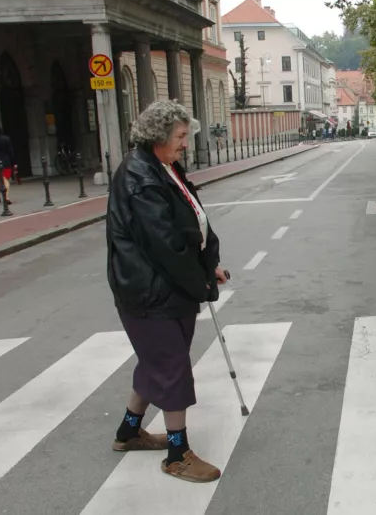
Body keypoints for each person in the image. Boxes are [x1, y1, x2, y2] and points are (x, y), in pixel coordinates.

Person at [105, 99, 227, 483]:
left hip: (162, 287)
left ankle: (128, 432)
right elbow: (166, 247)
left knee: (154, 361)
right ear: (158, 137)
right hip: (151, 291)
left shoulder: (163, 167)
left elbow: (190, 224)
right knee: (171, 366)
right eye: (179, 136)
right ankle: (177, 453)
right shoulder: (141, 177)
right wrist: (202, 283)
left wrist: (209, 265)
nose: (185, 143)